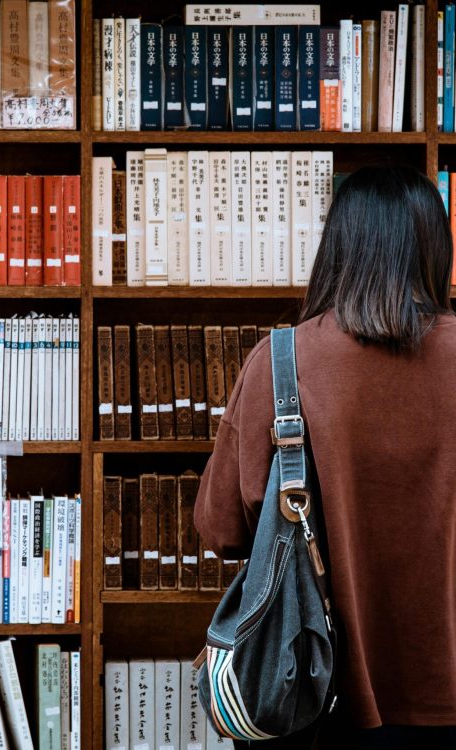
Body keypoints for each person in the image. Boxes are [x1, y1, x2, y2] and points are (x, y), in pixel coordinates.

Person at [194, 165, 456, 750]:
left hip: (316, 692)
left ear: (336, 249)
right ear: (438, 251)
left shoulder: (280, 361)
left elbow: (222, 531)